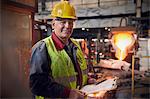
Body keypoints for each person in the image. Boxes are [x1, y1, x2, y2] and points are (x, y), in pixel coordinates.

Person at [30, 0, 89, 98]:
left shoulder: (75, 45)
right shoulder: (42, 48)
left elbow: (75, 73)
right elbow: (37, 85)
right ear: (53, 24)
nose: (68, 26)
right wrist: (67, 93)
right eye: (63, 22)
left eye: (70, 22)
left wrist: (87, 79)